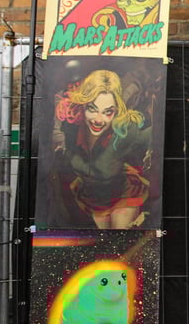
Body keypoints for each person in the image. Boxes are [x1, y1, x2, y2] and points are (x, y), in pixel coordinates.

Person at [51, 69, 152, 229]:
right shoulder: (70, 129)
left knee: (118, 237)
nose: (98, 120)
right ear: (83, 105)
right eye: (92, 109)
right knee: (100, 238)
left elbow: (151, 135)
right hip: (89, 198)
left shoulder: (126, 129)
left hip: (123, 195)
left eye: (108, 112)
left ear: (116, 110)